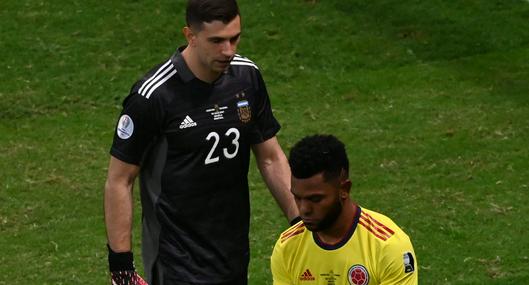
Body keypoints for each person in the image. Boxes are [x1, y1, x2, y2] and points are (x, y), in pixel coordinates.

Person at [103, 0, 299, 284]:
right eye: (217, 41)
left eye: (235, 38)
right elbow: (119, 180)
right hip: (174, 259)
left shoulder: (247, 77)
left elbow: (270, 156)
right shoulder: (153, 96)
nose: (228, 50)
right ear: (190, 36)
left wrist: (301, 223)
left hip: (232, 253)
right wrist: (121, 267)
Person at [271, 135, 418, 285]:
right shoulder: (287, 247)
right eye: (297, 197)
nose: (303, 209)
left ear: (344, 189)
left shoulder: (388, 246)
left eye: (315, 199)